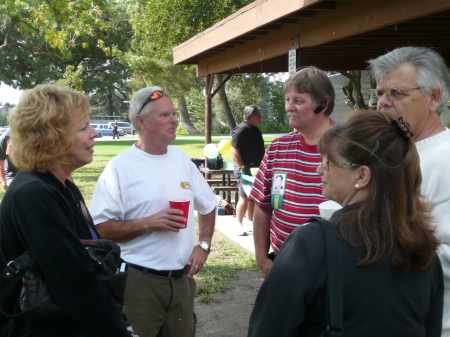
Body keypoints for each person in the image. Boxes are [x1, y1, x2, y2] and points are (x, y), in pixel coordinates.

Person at [248, 110, 444, 337]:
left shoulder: (310, 245)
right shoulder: (424, 251)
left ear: (362, 176)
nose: (319, 169)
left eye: (328, 161)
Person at [0, 84, 135, 337]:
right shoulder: (33, 194)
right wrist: (121, 332)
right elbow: (73, 282)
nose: (94, 133)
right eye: (83, 127)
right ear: (51, 140)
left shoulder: (62, 186)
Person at [89, 86, 217, 337]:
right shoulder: (120, 167)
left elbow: (209, 204)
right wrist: (147, 223)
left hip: (182, 281)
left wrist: (203, 245)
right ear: (141, 121)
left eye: (173, 114)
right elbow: (101, 228)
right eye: (164, 115)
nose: (173, 120)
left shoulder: (181, 159)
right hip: (138, 281)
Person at [368, 46, 450, 336]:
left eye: (397, 94)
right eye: (380, 93)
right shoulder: (390, 153)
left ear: (434, 97)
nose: (383, 104)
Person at [249, 66, 335, 277]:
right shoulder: (278, 148)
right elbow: (262, 206)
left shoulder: (347, 147)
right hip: (282, 262)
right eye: (288, 100)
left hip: (330, 268)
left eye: (298, 101)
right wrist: (262, 258)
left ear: (322, 104)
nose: (289, 107)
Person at [231, 105, 265, 236]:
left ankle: (249, 221)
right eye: (259, 116)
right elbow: (234, 150)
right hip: (245, 167)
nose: (260, 119)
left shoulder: (254, 129)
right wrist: (243, 167)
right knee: (244, 197)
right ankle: (238, 223)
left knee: (252, 197)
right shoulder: (242, 129)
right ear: (253, 117)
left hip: (255, 168)